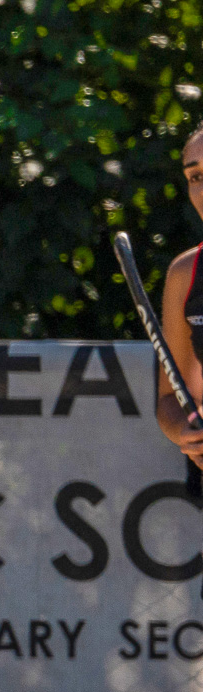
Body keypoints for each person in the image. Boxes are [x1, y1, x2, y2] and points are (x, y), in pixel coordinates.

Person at [158, 124, 203, 475]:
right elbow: (169, 399)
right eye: (195, 176)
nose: (202, 189)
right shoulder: (184, 274)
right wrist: (186, 432)